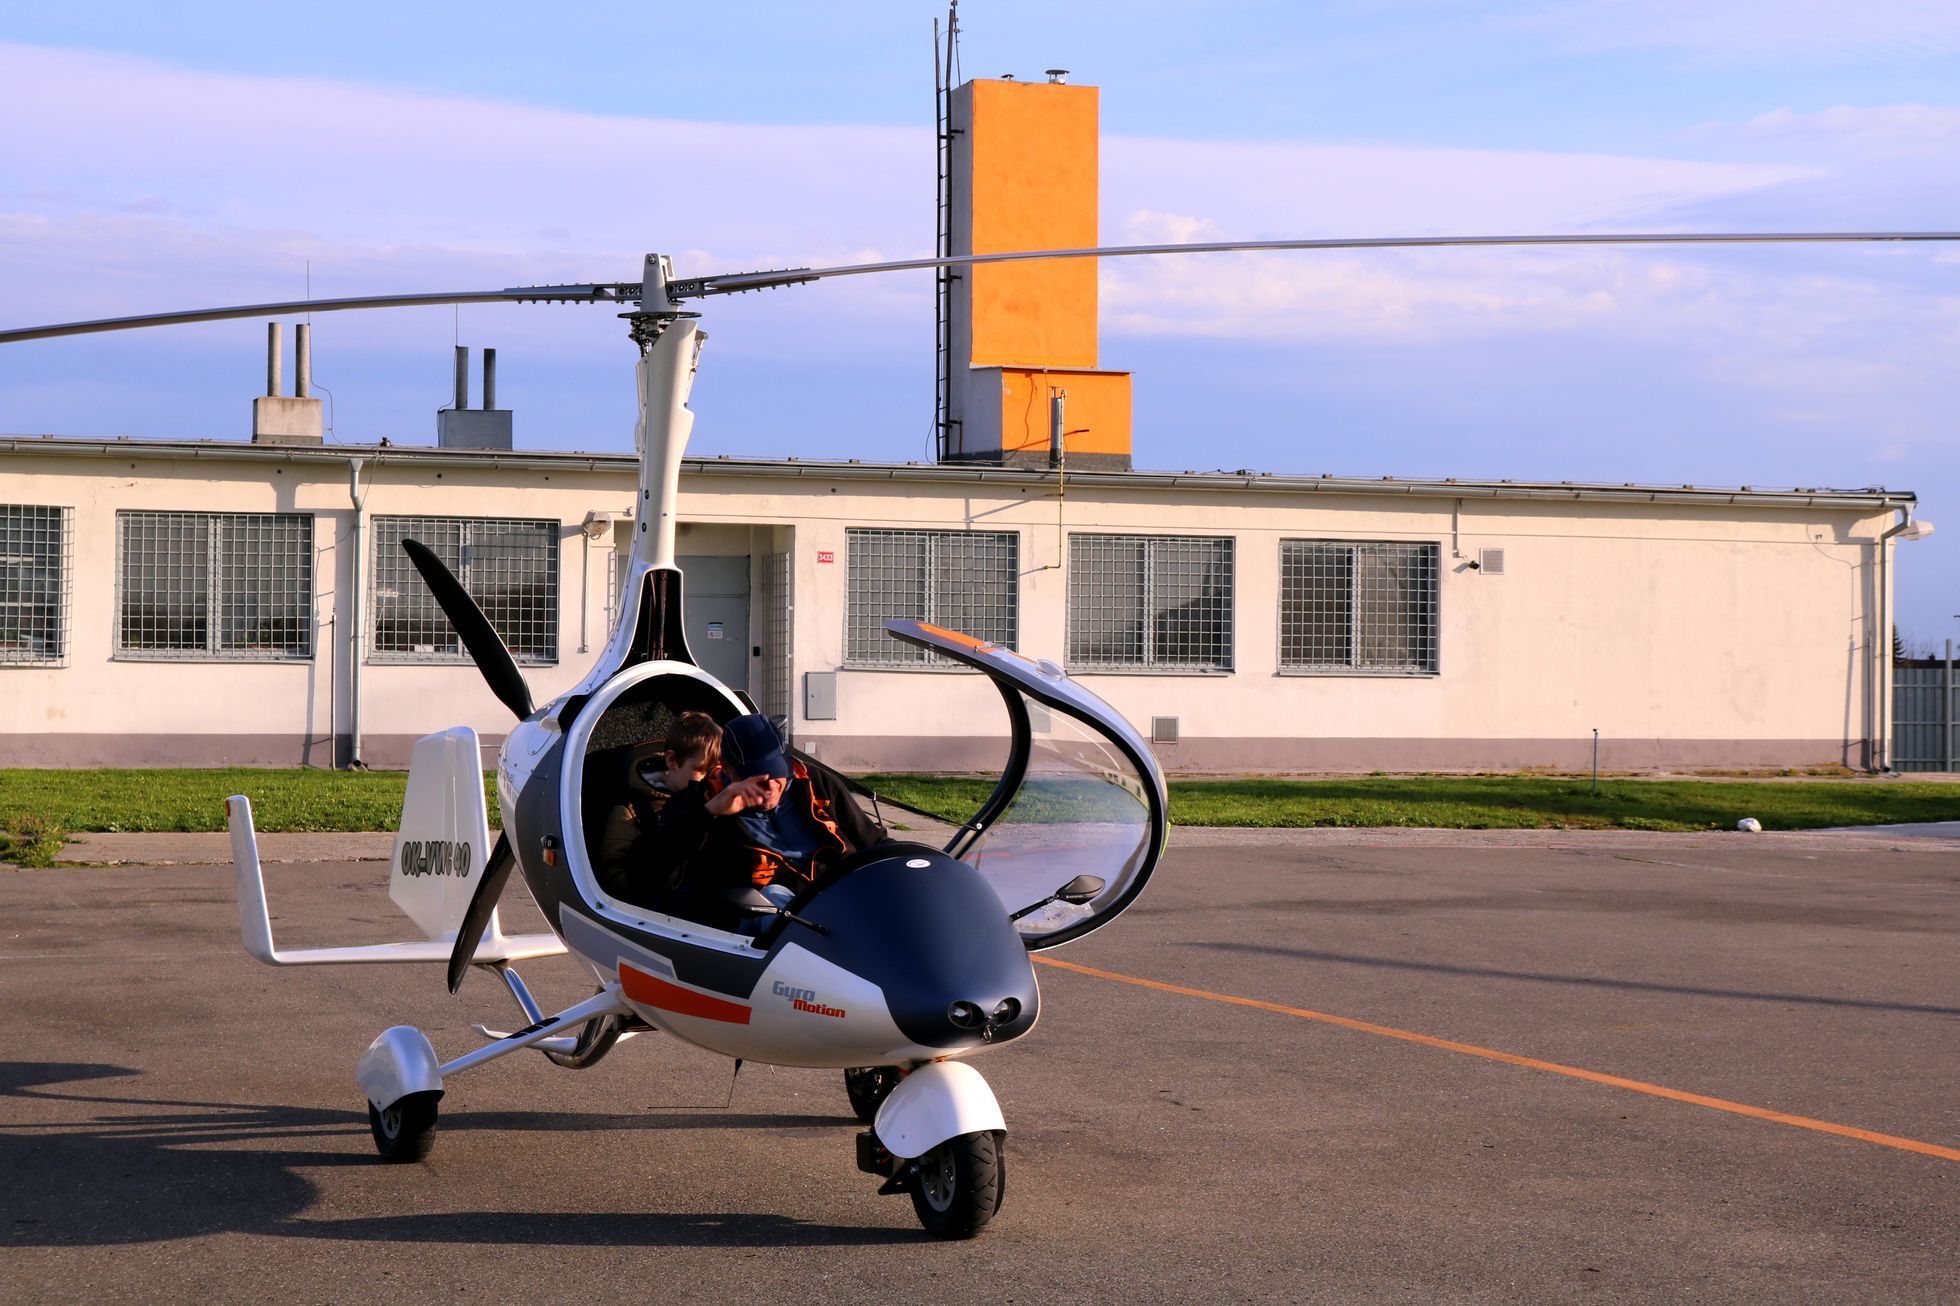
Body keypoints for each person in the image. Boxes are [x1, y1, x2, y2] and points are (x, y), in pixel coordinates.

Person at [658, 713, 886, 930]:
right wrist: (710, 813)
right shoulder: (704, 800)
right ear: (728, 770)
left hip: (839, 894)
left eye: (776, 772)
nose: (770, 787)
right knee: (773, 896)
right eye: (757, 778)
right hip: (768, 920)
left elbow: (873, 842)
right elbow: (655, 874)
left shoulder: (814, 782)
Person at [591, 711, 723, 907]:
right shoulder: (630, 813)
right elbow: (613, 875)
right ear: (672, 761)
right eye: (699, 771)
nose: (706, 781)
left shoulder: (711, 803)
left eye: (713, 773)